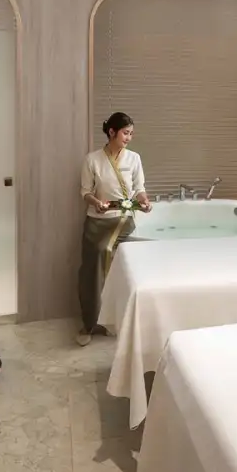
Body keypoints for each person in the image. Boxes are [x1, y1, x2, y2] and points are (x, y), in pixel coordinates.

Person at [77, 112, 152, 346]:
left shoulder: (134, 158)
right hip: (97, 220)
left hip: (123, 220)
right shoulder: (92, 160)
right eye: (125, 133)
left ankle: (116, 321)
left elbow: (139, 189)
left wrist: (144, 201)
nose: (129, 138)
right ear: (112, 132)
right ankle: (89, 323)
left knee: (119, 263)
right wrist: (96, 202)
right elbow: (85, 192)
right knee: (91, 269)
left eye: (131, 134)